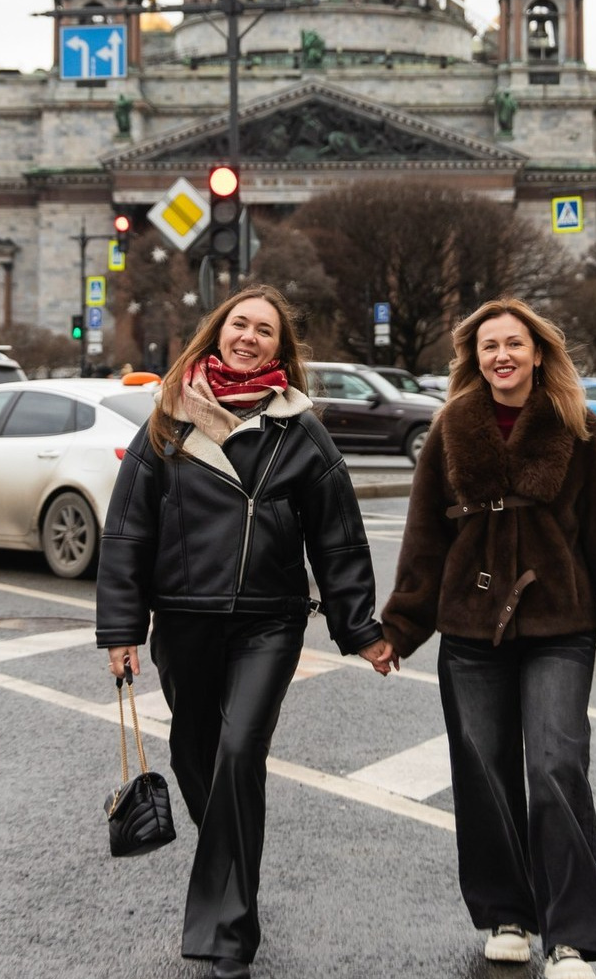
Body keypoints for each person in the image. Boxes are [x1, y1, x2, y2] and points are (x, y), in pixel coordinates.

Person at [96, 286, 393, 979]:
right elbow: (128, 530)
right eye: (240, 324)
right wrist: (121, 629)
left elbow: (338, 539)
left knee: (239, 752)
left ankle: (228, 934)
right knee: (194, 754)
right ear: (217, 333)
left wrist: (361, 628)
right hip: (184, 618)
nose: (249, 337)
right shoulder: (167, 420)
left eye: (265, 330)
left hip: (269, 621)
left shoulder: (300, 429)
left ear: (279, 350)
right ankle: (234, 871)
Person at [378, 298, 596, 979]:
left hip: (560, 625)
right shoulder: (450, 429)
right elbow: (424, 538)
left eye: (514, 344)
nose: (501, 355)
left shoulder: (578, 427)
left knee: (557, 766)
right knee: (483, 773)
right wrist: (400, 629)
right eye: (489, 346)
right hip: (471, 630)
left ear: (538, 354)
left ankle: (569, 937)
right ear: (475, 359)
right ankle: (507, 916)